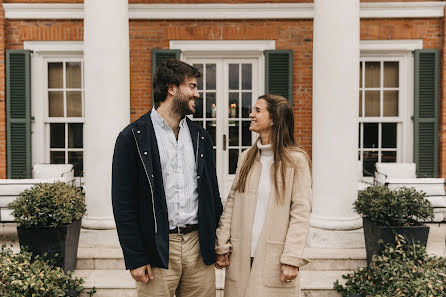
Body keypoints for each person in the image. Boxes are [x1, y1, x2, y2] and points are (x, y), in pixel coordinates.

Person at [112, 59, 223, 297]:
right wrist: (135, 256)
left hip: (198, 245)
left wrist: (219, 241)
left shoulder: (200, 137)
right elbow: (123, 204)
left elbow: (212, 195)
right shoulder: (132, 137)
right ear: (172, 88)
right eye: (192, 86)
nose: (197, 93)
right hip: (158, 248)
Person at [214, 94, 312, 297]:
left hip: (274, 260)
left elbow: (300, 213)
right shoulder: (245, 157)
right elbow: (231, 202)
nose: (251, 114)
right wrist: (222, 243)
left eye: (258, 110)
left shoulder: (296, 160)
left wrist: (292, 258)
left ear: (274, 119)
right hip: (240, 258)